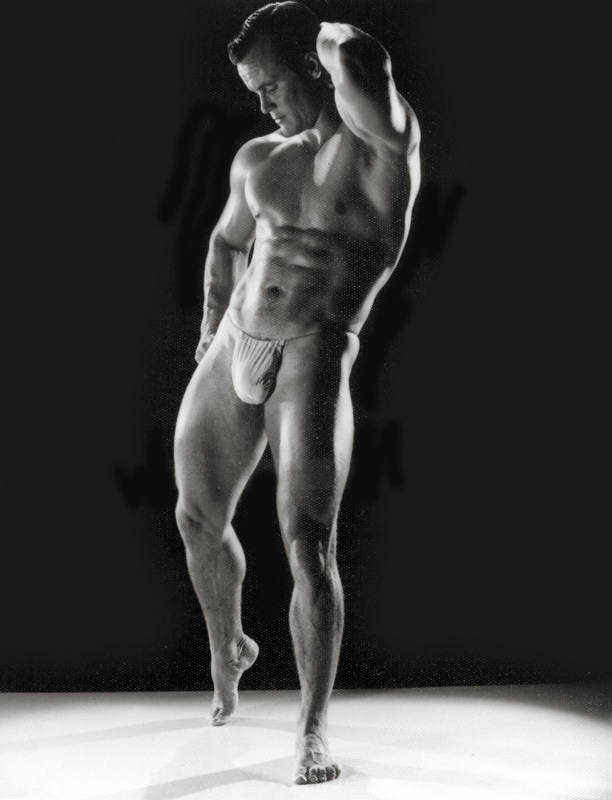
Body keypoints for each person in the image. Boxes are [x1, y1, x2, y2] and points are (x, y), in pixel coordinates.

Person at [174, 1, 420, 784]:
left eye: (271, 85)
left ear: (314, 66)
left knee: (308, 544)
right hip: (236, 342)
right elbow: (226, 242)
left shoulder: (382, 146)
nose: (263, 104)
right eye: (253, 91)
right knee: (195, 516)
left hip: (313, 352)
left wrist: (312, 29)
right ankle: (230, 645)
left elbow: (362, 58)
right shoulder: (259, 156)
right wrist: (210, 329)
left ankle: (312, 731)